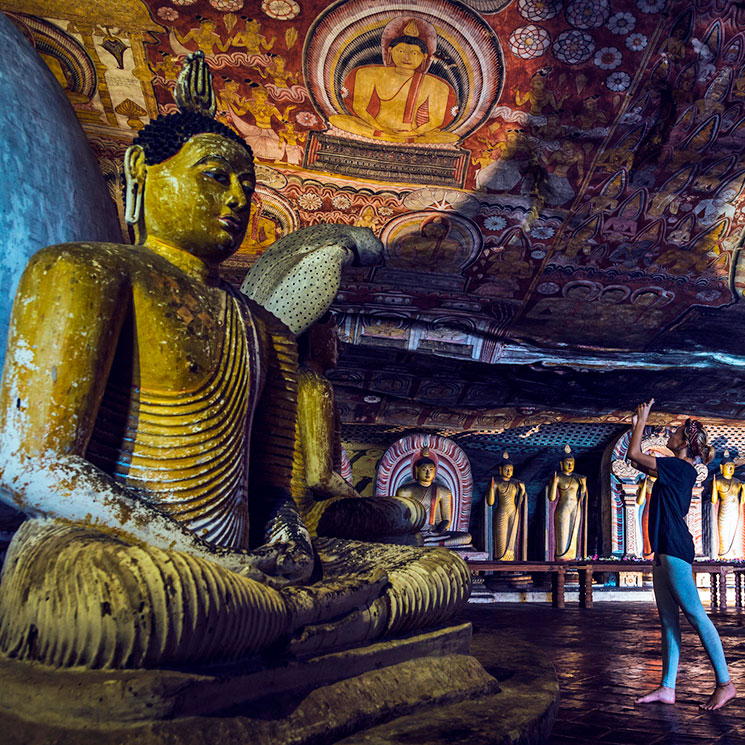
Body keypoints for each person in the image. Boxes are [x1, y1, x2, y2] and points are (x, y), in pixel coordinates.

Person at [0, 53, 470, 669]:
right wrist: (187, 550)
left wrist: (291, 543)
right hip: (122, 548)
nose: (235, 199)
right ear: (142, 171)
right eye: (214, 176)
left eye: (247, 187)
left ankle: (284, 612)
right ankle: (303, 620)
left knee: (439, 573)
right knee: (119, 604)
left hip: (242, 567)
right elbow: (28, 463)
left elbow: (275, 489)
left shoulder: (267, 331)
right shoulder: (85, 271)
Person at [629, 399, 736, 710]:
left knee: (696, 616)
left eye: (675, 433)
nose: (669, 436)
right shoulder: (674, 469)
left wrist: (642, 420)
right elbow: (634, 461)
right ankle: (667, 688)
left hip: (675, 547)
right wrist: (638, 427)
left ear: (684, 442)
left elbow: (636, 453)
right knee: (667, 620)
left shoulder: (679, 467)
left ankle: (725, 684)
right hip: (665, 548)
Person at [329, 16, 458, 144]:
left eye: (414, 53)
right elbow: (359, 107)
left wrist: (413, 133)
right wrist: (380, 128)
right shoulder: (368, 74)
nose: (406, 57)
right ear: (390, 50)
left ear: (424, 56)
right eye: (401, 51)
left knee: (450, 137)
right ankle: (389, 137)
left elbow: (436, 121)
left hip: (413, 133)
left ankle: (403, 138)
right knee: (339, 120)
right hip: (374, 127)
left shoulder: (437, 86)